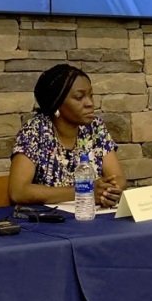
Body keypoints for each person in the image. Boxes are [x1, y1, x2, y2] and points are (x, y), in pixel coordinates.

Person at [9, 63, 126, 208]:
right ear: (57, 103)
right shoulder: (35, 131)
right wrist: (83, 191)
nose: (89, 103)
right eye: (79, 97)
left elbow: (118, 178)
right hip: (49, 223)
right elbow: (18, 192)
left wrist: (109, 192)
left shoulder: (95, 128)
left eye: (91, 95)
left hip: (92, 217)